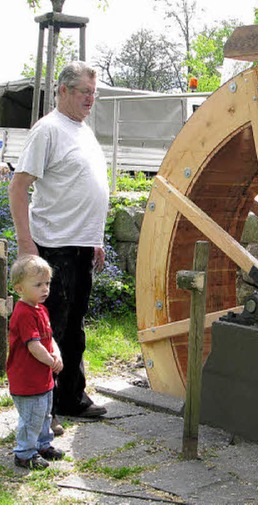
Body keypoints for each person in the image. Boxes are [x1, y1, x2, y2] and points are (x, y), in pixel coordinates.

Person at [8, 61, 110, 434]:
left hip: (82, 247)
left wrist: (95, 238)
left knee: (74, 329)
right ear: (64, 90)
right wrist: (26, 246)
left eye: (93, 93)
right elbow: (18, 188)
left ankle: (70, 399)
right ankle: (42, 412)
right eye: (84, 92)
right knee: (47, 334)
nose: (90, 99)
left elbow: (86, 187)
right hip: (54, 248)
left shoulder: (82, 130)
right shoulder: (48, 130)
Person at [7, 255, 65, 470]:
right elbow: (33, 345)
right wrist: (50, 361)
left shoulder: (41, 309)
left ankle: (42, 445)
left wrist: (56, 354)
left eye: (47, 283)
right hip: (27, 379)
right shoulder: (23, 313)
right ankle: (24, 453)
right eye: (38, 285)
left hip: (43, 378)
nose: (45, 289)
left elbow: (48, 338)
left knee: (44, 415)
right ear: (20, 288)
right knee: (31, 418)